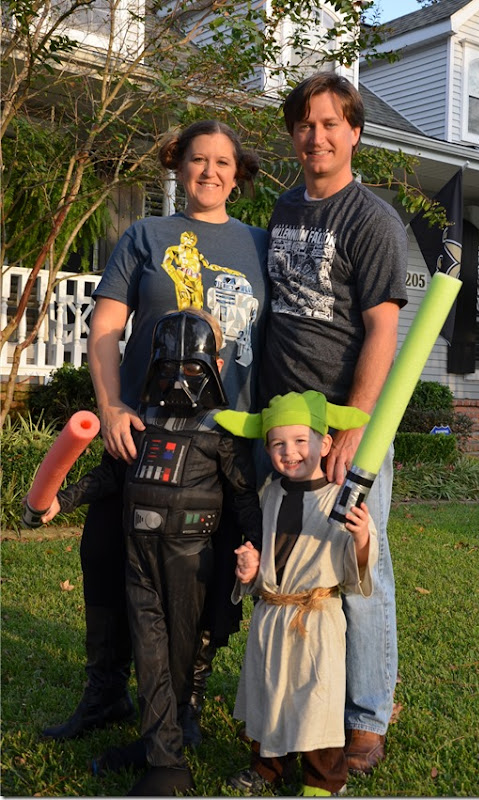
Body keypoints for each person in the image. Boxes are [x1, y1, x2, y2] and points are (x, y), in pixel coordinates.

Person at [41, 120, 269, 757]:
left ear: (238, 174)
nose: (209, 171)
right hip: (142, 433)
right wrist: (112, 405)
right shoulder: (145, 235)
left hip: (222, 441)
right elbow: (106, 327)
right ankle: (106, 689)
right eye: (198, 159)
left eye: (222, 162)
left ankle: (186, 702)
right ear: (178, 165)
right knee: (105, 554)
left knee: (207, 574)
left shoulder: (260, 244)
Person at [40, 309, 263, 796]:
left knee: (178, 656)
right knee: (149, 653)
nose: (180, 379)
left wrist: (260, 550)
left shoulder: (221, 430)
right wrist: (61, 501)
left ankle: (166, 753)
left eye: (192, 368)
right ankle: (162, 753)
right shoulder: (142, 421)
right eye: (170, 367)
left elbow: (245, 497)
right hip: (139, 559)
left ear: (215, 366)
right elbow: (112, 475)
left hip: (190, 562)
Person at [259, 72, 408, 774]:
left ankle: (368, 716)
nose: (315, 136)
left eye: (329, 123)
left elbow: (382, 330)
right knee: (297, 563)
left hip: (347, 426)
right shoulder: (284, 207)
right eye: (304, 124)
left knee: (358, 563)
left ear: (354, 132)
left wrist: (355, 428)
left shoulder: (372, 219)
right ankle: (305, 700)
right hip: (286, 429)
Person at [214, 390, 378, 797]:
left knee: (316, 699)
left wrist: (361, 536)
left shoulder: (339, 498)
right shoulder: (271, 493)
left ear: (325, 444)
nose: (289, 452)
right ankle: (267, 768)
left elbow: (355, 568)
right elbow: (267, 556)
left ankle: (324, 780)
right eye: (278, 444)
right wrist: (251, 568)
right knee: (271, 693)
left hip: (315, 618)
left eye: (301, 441)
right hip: (273, 615)